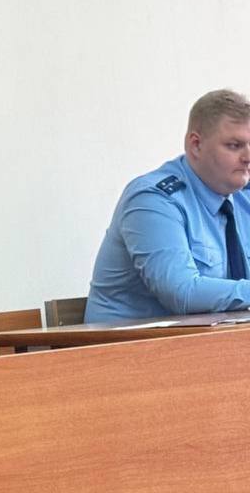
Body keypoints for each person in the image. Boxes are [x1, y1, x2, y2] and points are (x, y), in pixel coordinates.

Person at [86, 89, 250, 323]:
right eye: (234, 145)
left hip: (209, 338)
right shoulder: (154, 199)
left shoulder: (243, 198)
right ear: (196, 145)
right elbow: (182, 293)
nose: (247, 157)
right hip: (127, 342)